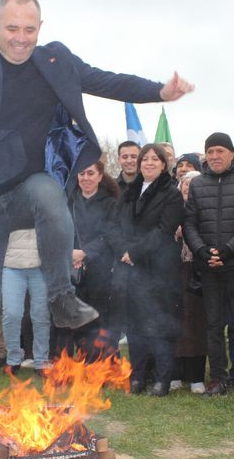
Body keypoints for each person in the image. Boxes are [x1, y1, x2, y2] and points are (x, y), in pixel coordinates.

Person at [0, 0, 193, 402]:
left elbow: (105, 80)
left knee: (50, 191)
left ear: (40, 28)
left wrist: (160, 91)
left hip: (25, 189)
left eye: (29, 29)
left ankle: (60, 296)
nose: (20, 38)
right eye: (12, 28)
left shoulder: (54, 60)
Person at [183, 132, 234, 399]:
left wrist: (228, 249)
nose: (215, 156)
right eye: (210, 152)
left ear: (231, 153)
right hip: (209, 266)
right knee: (213, 325)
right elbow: (190, 222)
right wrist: (202, 250)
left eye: (220, 151)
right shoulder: (199, 184)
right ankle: (217, 378)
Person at [110, 143, 184, 397]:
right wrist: (123, 251)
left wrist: (135, 253)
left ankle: (162, 379)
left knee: (159, 324)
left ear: (164, 164)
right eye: (145, 159)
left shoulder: (171, 193)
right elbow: (115, 226)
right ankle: (137, 376)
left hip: (158, 268)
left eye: (155, 159)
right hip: (129, 267)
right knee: (134, 325)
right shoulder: (128, 192)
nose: (149, 163)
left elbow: (164, 231)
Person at [67, 160, 120, 360]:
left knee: (100, 317)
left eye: (91, 173)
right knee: (79, 317)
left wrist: (85, 252)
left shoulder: (111, 203)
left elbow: (110, 234)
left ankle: (102, 362)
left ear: (100, 176)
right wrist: (71, 253)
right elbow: (63, 230)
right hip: (74, 269)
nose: (86, 178)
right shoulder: (70, 201)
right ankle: (83, 359)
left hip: (101, 270)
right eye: (82, 174)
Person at [170, 170, 208, 394]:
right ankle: (175, 374)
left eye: (194, 183)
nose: (188, 186)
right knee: (174, 322)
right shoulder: (171, 208)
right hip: (173, 271)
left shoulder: (205, 209)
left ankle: (196, 376)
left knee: (196, 325)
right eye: (185, 182)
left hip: (198, 271)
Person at [1, 228, 51, 376]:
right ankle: (13, 359)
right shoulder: (6, 204)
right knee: (11, 314)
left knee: (41, 315)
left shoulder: (44, 204)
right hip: (11, 264)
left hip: (41, 265)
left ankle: (41, 361)